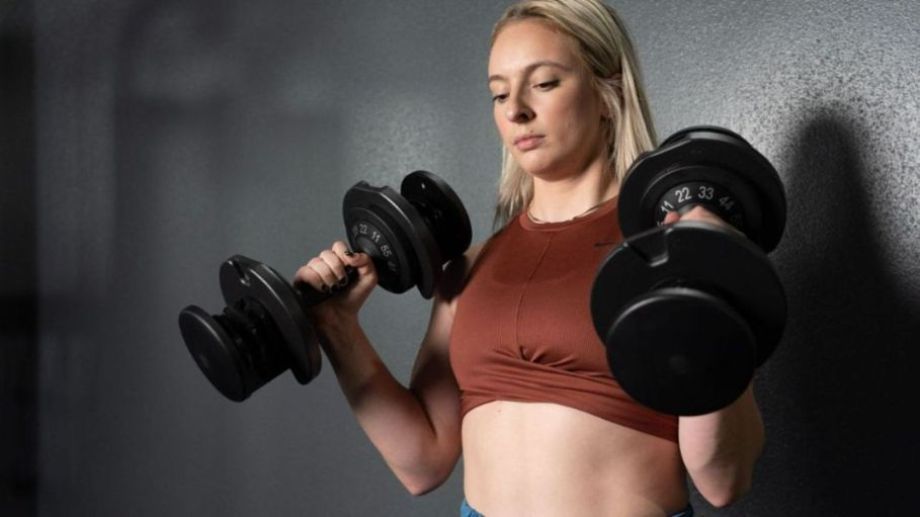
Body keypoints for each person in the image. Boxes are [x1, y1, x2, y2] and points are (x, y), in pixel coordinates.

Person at [295, 1, 764, 515]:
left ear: (607, 92)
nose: (515, 108)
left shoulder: (667, 252)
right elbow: (423, 462)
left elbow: (723, 479)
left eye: (543, 83)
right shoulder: (468, 269)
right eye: (499, 92)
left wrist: (707, 286)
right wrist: (337, 328)